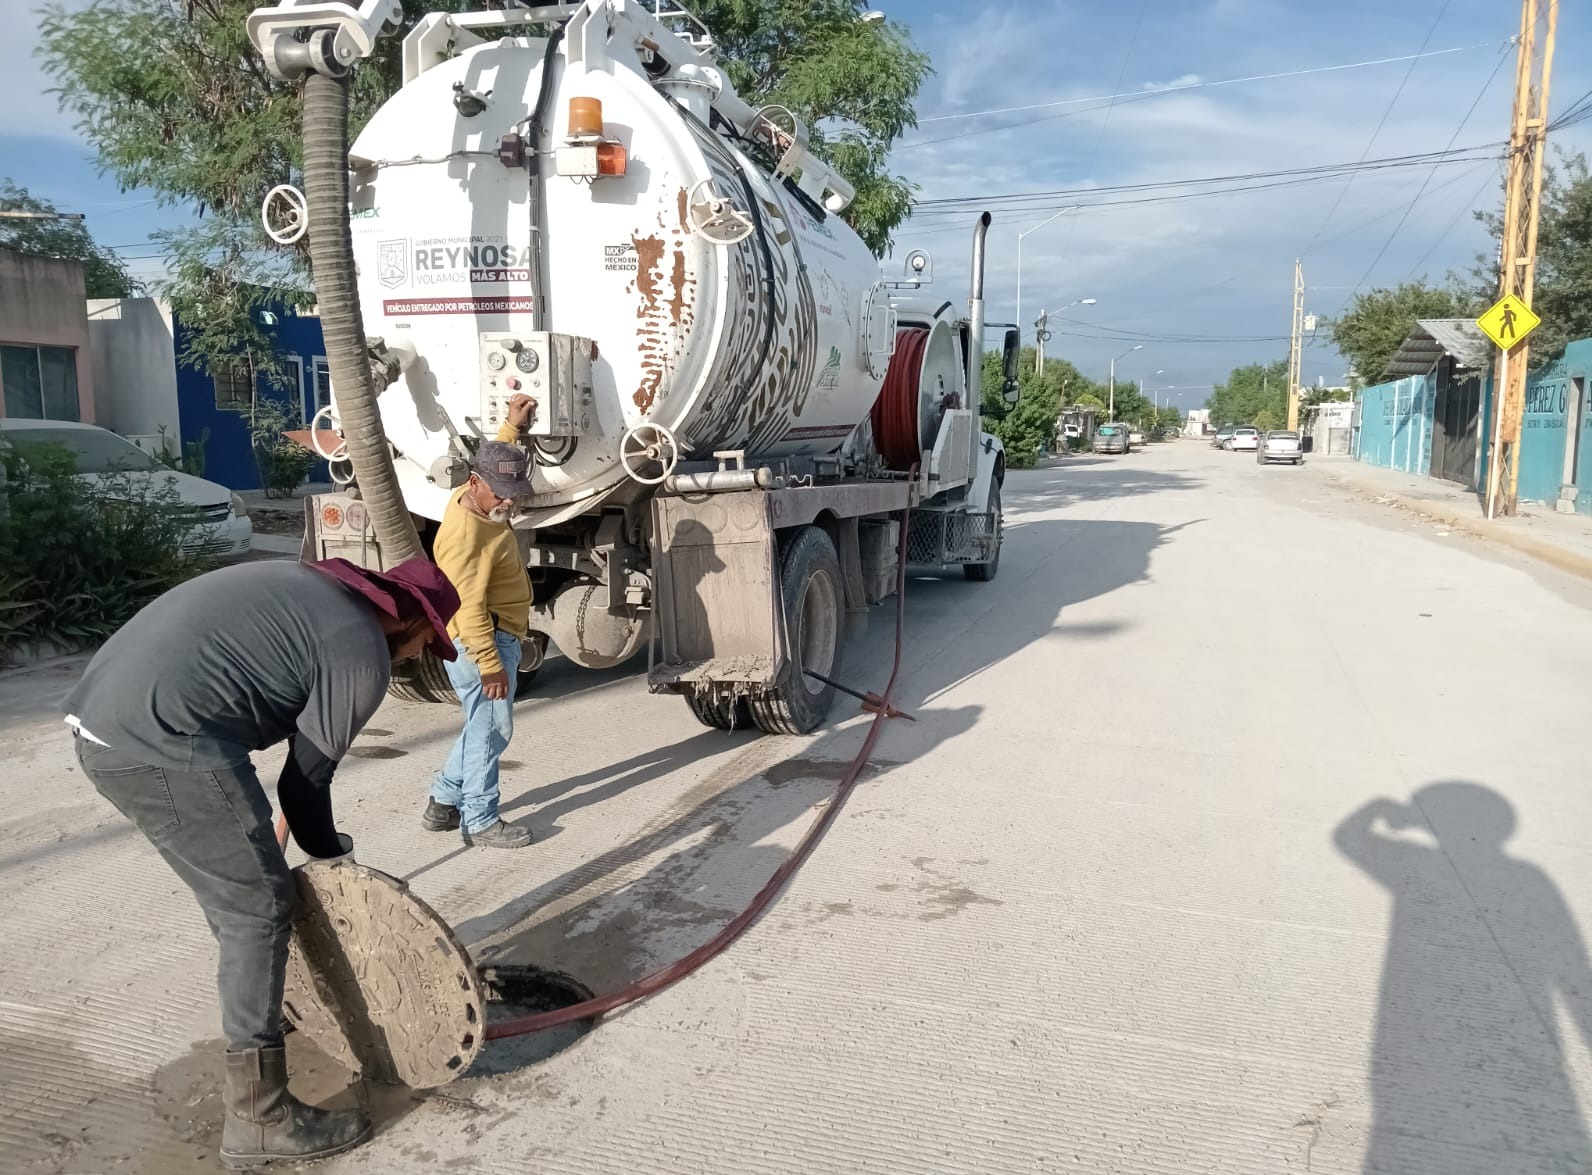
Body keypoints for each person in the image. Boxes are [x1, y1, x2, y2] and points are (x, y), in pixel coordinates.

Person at [63, 556, 460, 1170]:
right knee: (256, 905)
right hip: (164, 741)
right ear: (407, 622)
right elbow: (303, 787)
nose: (415, 658)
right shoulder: (361, 650)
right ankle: (259, 1116)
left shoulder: (309, 591)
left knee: (242, 895)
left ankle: (265, 1018)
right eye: (423, 646)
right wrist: (340, 871)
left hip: (105, 726)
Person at [423, 392, 539, 849]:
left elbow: (495, 463)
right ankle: (481, 820)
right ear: (475, 483)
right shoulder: (466, 534)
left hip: (489, 634)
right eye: (502, 494)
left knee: (483, 727)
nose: (508, 502)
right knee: (492, 730)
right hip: (481, 640)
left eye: (513, 494)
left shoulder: (474, 497)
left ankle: (443, 800)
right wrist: (489, 662)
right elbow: (466, 606)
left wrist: (513, 429)